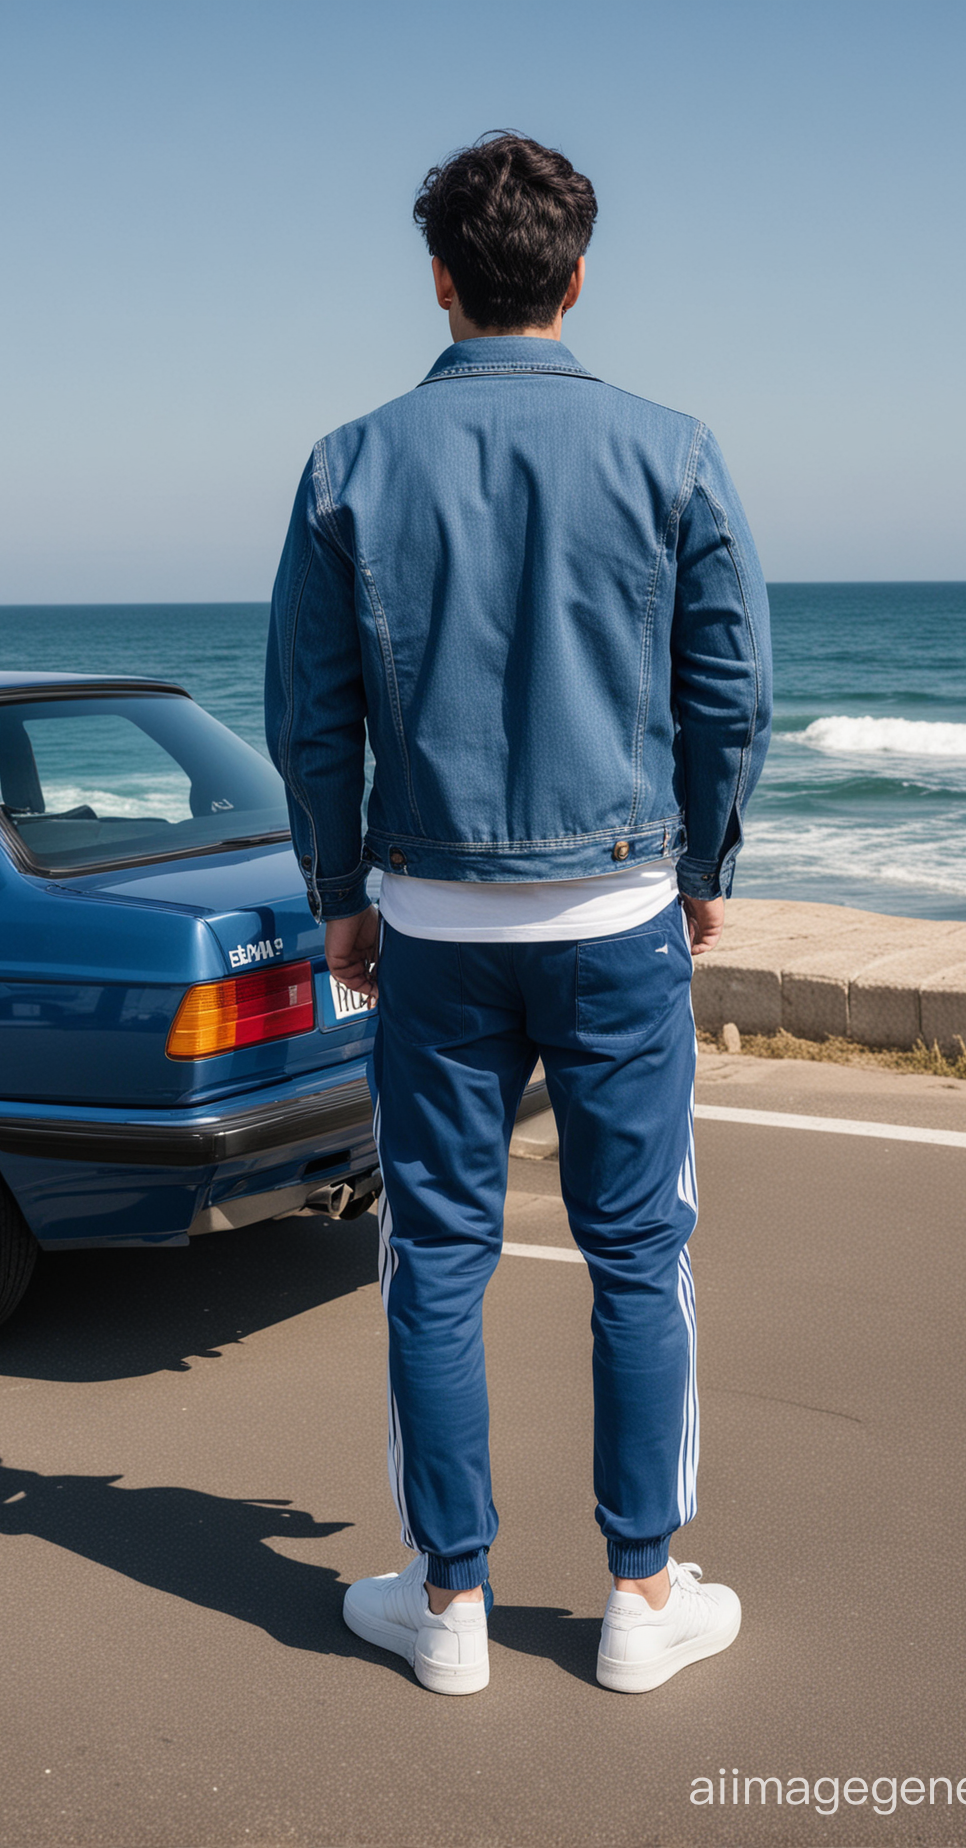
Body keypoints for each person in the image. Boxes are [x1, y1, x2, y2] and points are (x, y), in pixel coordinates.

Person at [265, 132, 771, 1696]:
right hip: (619, 911)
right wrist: (704, 870)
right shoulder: (672, 448)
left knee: (436, 1253)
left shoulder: (350, 461)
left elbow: (308, 714)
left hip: (430, 916)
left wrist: (341, 892)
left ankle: (453, 1607)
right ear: (575, 274)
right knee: (640, 1252)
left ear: (441, 279)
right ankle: (640, 1595)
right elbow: (732, 692)